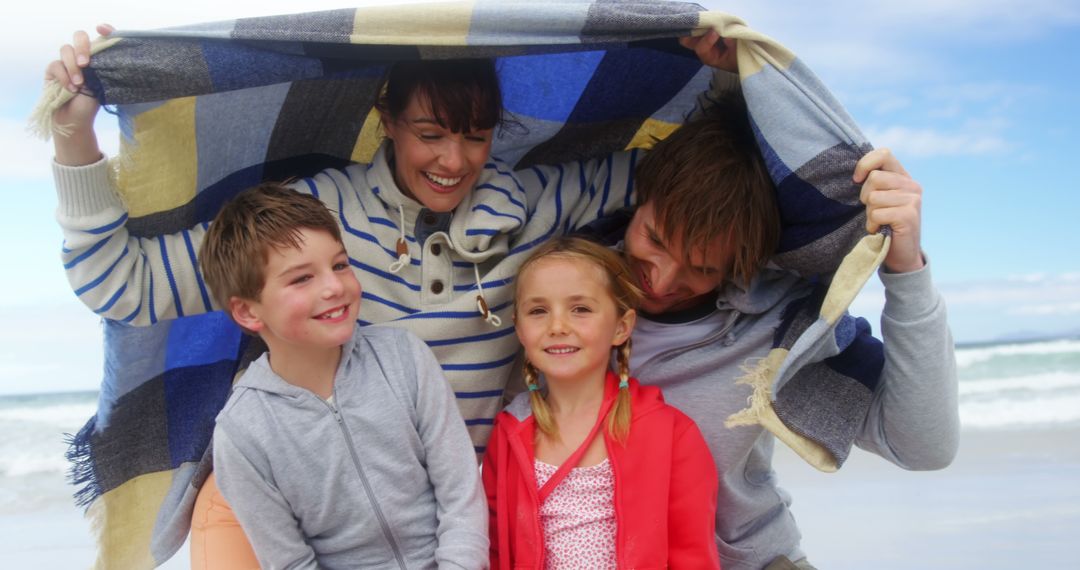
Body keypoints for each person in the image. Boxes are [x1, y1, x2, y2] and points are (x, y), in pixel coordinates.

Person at [46, 25, 737, 568]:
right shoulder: (313, 219)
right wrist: (75, 135)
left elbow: (675, 178)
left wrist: (727, 80)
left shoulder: (528, 201)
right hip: (290, 499)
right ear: (388, 120)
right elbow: (122, 283)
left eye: (475, 136)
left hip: (449, 513)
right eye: (430, 133)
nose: (453, 161)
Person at [574, 94, 959, 570]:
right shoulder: (558, 290)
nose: (663, 280)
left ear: (743, 264)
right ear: (638, 197)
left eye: (701, 267)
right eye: (654, 238)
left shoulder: (783, 323)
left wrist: (905, 271)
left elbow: (924, 445)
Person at [194, 183, 487, 568]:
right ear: (249, 312)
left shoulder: (405, 358)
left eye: (340, 265)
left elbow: (460, 497)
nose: (335, 287)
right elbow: (291, 562)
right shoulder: (241, 433)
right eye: (302, 278)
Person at [483, 237, 720, 569]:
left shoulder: (672, 434)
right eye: (538, 311)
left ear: (621, 327)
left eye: (580, 309)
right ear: (520, 330)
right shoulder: (508, 435)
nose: (558, 326)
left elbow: (693, 557)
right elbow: (495, 552)